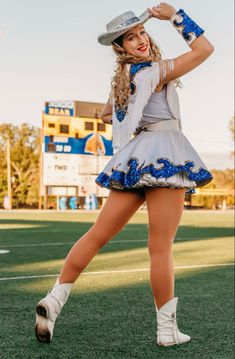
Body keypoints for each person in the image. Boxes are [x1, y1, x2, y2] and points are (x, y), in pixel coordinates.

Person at [35, 3, 214, 347]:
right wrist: (175, 16)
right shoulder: (156, 70)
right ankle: (166, 331)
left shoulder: (125, 77)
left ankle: (54, 300)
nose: (140, 40)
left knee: (97, 234)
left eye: (141, 32)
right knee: (160, 247)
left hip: (135, 156)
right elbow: (205, 48)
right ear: (121, 47)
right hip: (165, 151)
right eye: (131, 38)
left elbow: (106, 114)